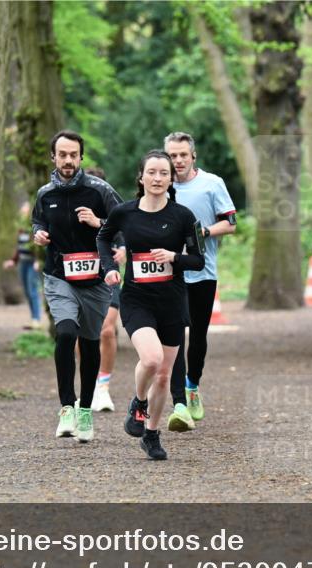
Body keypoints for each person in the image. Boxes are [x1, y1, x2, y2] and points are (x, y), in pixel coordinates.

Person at [98, 149, 204, 460]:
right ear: (141, 177)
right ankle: (138, 402)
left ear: (172, 179)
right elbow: (103, 239)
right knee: (153, 359)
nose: (157, 178)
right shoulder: (124, 212)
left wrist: (174, 258)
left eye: (164, 173)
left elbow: (197, 260)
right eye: (152, 172)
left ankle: (152, 434)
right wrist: (110, 268)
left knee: (163, 375)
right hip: (137, 299)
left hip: (172, 301)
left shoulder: (183, 216)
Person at [32, 130, 123, 442]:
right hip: (60, 276)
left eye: (73, 155)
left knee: (88, 341)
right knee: (66, 332)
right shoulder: (45, 193)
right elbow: (38, 221)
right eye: (62, 154)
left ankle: (86, 410)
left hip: (95, 280)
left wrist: (99, 222)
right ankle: (66, 408)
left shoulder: (100, 190)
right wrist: (39, 234)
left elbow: (125, 222)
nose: (68, 160)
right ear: (53, 157)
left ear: (81, 157)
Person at [162, 132, 237, 432]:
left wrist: (203, 233)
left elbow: (231, 223)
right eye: (172, 155)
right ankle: (179, 401)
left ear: (193, 156)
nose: (177, 161)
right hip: (170, 273)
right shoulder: (160, 184)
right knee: (175, 336)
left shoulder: (212, 184)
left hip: (203, 272)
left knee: (198, 336)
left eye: (182, 155)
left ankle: (193, 384)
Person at [85, 167, 126, 412]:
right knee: (84, 333)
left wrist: (124, 249)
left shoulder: (114, 213)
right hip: (81, 278)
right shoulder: (75, 211)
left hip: (108, 276)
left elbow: (128, 233)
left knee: (107, 330)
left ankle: (103, 386)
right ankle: (88, 383)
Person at [3, 203, 43, 329]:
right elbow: (19, 247)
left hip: (32, 263)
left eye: (24, 212)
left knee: (33, 291)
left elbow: (38, 246)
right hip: (23, 262)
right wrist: (13, 261)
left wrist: (38, 261)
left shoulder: (35, 227)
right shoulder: (21, 229)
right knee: (26, 291)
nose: (22, 214)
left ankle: (37, 320)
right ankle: (33, 319)